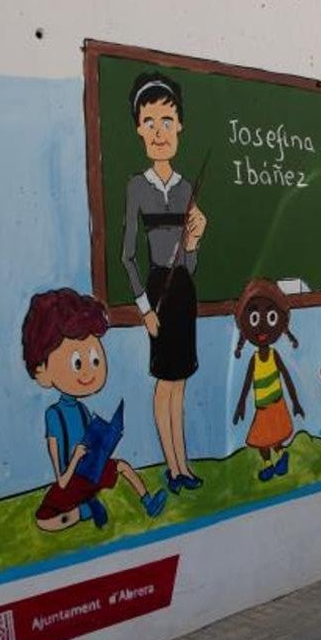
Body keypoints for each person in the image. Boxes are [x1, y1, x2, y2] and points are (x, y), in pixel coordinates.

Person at [122, 72, 209, 494]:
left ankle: (183, 465)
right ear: (139, 127)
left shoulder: (187, 187)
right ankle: (172, 467)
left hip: (183, 294)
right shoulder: (136, 187)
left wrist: (194, 240)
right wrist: (144, 310)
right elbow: (126, 256)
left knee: (181, 382)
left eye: (167, 121)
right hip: (157, 290)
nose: (160, 132)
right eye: (150, 121)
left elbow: (189, 265)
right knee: (164, 382)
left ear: (180, 127)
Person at [22, 288, 167, 531]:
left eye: (94, 359)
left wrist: (107, 439)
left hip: (92, 473)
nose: (89, 371)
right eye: (77, 363)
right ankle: (86, 510)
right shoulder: (54, 416)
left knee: (121, 465)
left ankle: (148, 501)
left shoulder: (82, 411)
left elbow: (96, 445)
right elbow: (61, 479)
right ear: (42, 371)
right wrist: (76, 458)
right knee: (44, 520)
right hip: (72, 482)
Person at [232, 278, 305, 482]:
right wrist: (240, 406)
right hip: (262, 407)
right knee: (264, 440)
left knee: (270, 439)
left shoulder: (274, 356)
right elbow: (247, 385)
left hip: (276, 404)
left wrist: (296, 402)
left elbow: (287, 378)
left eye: (271, 317)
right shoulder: (255, 360)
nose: (262, 327)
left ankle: (277, 459)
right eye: (254, 318)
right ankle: (272, 463)